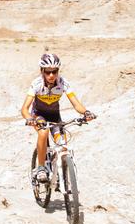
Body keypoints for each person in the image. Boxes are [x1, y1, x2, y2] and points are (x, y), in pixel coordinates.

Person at [21, 53, 95, 183]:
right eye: (48, 72)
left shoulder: (63, 83)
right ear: (42, 71)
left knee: (63, 145)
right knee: (43, 133)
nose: (51, 75)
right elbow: (24, 108)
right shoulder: (36, 84)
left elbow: (76, 104)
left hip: (55, 116)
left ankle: (63, 174)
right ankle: (41, 168)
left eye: (54, 72)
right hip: (38, 116)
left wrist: (86, 112)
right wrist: (30, 118)